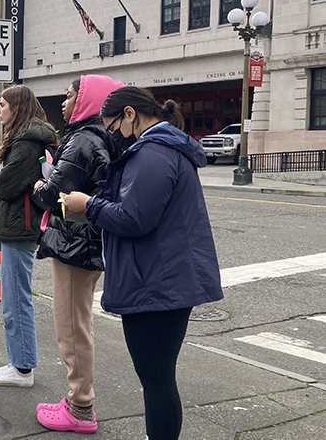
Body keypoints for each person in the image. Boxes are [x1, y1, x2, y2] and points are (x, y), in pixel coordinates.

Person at [63, 87, 222, 440]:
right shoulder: (163, 149)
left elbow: (135, 218)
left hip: (158, 281)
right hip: (163, 276)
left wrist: (88, 205)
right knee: (158, 377)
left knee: (157, 379)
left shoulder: (153, 153)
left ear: (131, 114)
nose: (112, 135)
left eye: (113, 125)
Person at [30, 74, 125, 433]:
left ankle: (80, 405)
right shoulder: (102, 137)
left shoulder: (82, 140)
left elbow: (50, 194)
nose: (65, 104)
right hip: (85, 242)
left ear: (86, 101)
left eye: (70, 97)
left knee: (71, 325)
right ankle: (77, 398)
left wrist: (40, 182)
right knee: (77, 323)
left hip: (74, 244)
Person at [0, 85, 56, 386]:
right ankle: (19, 363)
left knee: (15, 299)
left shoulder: (25, 143)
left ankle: (22, 367)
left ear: (17, 107)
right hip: (21, 226)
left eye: (2, 104)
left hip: (19, 226)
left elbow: (7, 186)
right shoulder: (30, 138)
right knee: (15, 297)